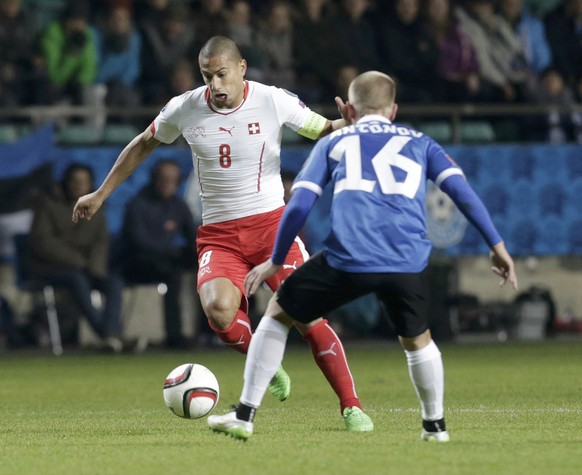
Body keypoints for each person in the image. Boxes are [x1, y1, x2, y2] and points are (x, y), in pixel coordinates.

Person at [72, 36, 372, 431]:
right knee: (218, 312)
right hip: (219, 236)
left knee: (308, 317)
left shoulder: (272, 99)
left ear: (242, 68)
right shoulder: (185, 107)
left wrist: (346, 125)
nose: (215, 84)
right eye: (207, 76)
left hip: (272, 230)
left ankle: (351, 406)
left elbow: (322, 129)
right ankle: (263, 362)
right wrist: (101, 193)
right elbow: (144, 143)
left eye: (222, 74)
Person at [207, 71, 519, 441]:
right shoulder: (421, 142)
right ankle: (434, 427)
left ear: (350, 109)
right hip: (407, 261)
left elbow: (299, 205)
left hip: (348, 259)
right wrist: (497, 246)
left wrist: (276, 258)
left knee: (277, 313)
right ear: (393, 110)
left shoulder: (336, 141)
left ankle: (244, 416)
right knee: (418, 341)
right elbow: (462, 193)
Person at [28, 163, 125, 351]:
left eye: (84, 182)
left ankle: (112, 335)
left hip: (88, 267)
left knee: (114, 281)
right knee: (77, 280)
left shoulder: (97, 207)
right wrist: (79, 262)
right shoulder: (48, 205)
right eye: (75, 181)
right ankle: (108, 335)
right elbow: (43, 241)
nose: (79, 185)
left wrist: (96, 268)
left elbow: (101, 241)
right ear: (66, 182)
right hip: (52, 267)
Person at [117, 159, 197, 348]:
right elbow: (138, 242)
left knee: (208, 269)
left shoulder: (179, 206)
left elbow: (192, 236)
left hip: (168, 260)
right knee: (173, 274)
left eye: (172, 179)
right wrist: (173, 252)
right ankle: (174, 336)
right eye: (163, 178)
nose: (167, 183)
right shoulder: (138, 204)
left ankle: (210, 332)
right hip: (137, 263)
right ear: (154, 179)